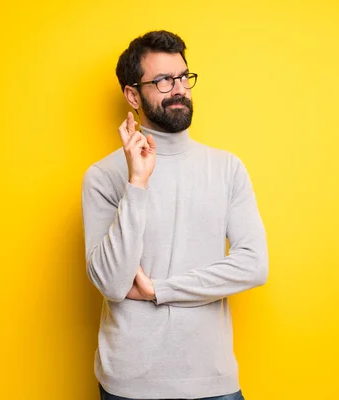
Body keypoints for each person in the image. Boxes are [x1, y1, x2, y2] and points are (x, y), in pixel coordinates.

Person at [81, 30, 268, 400]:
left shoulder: (226, 168)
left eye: (183, 76)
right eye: (163, 80)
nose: (179, 88)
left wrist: (159, 290)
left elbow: (254, 265)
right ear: (133, 95)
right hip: (129, 384)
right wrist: (136, 183)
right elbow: (113, 283)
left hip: (212, 381)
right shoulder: (103, 176)